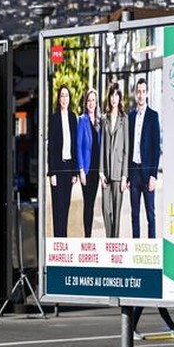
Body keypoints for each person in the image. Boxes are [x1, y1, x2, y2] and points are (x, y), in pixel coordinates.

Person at [127, 77, 162, 238]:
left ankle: (151, 247)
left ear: (147, 94)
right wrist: (127, 175)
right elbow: (128, 146)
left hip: (148, 174)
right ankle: (136, 247)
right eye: (138, 92)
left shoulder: (153, 116)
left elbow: (156, 148)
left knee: (150, 215)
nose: (140, 95)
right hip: (134, 172)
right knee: (134, 215)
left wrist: (154, 175)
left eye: (143, 91)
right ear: (135, 94)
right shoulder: (131, 116)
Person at [46, 84, 79, 237]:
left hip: (69, 168)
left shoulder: (73, 118)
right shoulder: (53, 118)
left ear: (69, 98)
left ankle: (63, 240)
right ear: (58, 99)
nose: (64, 98)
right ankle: (57, 239)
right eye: (62, 96)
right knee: (57, 207)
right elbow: (51, 147)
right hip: (57, 170)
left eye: (67, 95)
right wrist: (51, 172)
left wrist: (75, 172)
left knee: (66, 206)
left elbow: (75, 146)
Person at [99, 83, 129, 237]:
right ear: (109, 97)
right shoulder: (104, 118)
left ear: (120, 98)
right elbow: (102, 146)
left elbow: (126, 150)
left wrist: (125, 176)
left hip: (118, 172)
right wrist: (101, 172)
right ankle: (109, 239)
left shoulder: (125, 119)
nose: (114, 98)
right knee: (105, 209)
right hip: (106, 172)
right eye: (112, 95)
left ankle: (114, 242)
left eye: (117, 95)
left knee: (116, 211)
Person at [75, 87, 102, 237]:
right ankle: (87, 236)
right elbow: (78, 146)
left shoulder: (100, 121)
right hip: (86, 170)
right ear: (85, 103)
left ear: (96, 103)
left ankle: (89, 235)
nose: (91, 103)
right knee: (88, 203)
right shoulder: (82, 120)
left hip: (97, 170)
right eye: (89, 100)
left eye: (93, 100)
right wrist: (80, 170)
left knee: (92, 203)